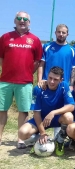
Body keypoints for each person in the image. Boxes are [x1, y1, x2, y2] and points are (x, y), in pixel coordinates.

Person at [0, 11, 43, 148]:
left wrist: (26, 73)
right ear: (15, 21)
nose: (22, 20)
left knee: (23, 111)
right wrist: (9, 69)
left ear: (29, 22)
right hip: (5, 81)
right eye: (19, 18)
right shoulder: (5, 37)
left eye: (25, 19)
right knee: (1, 110)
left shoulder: (35, 40)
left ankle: (20, 139)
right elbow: (1, 58)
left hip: (25, 82)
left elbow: (37, 61)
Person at [18, 66, 75, 156]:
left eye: (55, 79)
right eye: (50, 78)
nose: (52, 81)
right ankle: (40, 141)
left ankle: (60, 141)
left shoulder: (64, 86)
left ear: (61, 80)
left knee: (69, 117)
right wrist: (43, 133)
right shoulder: (38, 89)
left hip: (56, 118)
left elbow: (71, 106)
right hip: (41, 119)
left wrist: (53, 112)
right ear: (47, 76)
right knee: (22, 133)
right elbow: (36, 113)